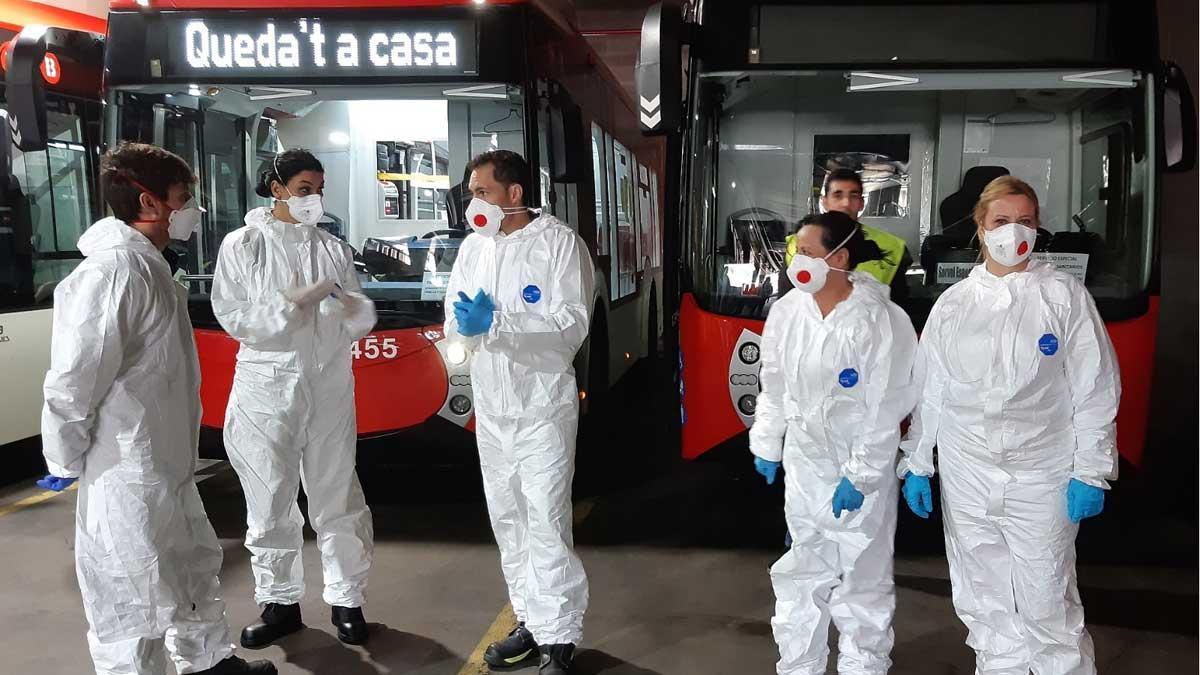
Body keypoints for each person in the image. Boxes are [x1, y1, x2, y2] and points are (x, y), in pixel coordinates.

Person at [40, 142, 276, 674]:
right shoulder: (113, 274)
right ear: (148, 202)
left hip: (164, 461)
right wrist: (64, 456)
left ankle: (208, 662)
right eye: (182, 198)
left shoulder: (150, 268)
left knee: (189, 567)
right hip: (126, 468)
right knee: (132, 595)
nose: (190, 209)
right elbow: (74, 382)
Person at [898, 176, 1119, 674]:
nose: (1013, 233)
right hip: (967, 471)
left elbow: (1094, 388)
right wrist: (917, 462)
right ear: (980, 228)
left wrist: (1091, 468)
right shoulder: (954, 304)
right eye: (1001, 221)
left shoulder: (1062, 297)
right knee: (984, 599)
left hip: (1042, 470)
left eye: (1025, 222)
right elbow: (932, 388)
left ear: (1038, 229)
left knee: (1046, 599)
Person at [211, 149, 377, 648]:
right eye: (305, 188)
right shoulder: (244, 246)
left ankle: (347, 600)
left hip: (328, 388)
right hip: (267, 390)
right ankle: (279, 604)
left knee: (337, 495)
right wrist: (290, 304)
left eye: (318, 189)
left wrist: (354, 307)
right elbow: (234, 317)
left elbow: (358, 318)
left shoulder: (333, 249)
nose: (314, 198)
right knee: (270, 500)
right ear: (277, 188)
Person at [445, 150, 593, 675]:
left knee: (546, 520)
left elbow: (570, 327)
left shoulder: (559, 245)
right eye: (470, 193)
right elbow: (455, 321)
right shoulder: (473, 250)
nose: (472, 203)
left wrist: (499, 326)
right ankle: (531, 620)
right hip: (494, 409)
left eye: (481, 192)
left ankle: (559, 638)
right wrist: (465, 331)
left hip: (542, 408)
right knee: (509, 520)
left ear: (514, 194)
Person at [750, 210, 917, 675]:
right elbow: (775, 384)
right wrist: (768, 441)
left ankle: (863, 666)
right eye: (795, 253)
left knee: (863, 578)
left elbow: (888, 406)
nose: (797, 262)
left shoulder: (883, 320)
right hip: (806, 461)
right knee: (802, 570)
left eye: (808, 252)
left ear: (839, 256)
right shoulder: (787, 313)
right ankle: (799, 665)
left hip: (858, 465)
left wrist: (861, 475)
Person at [783, 168, 912, 300]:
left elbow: (898, 305)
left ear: (862, 204)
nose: (846, 203)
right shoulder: (797, 244)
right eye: (838, 195)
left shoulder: (891, 246)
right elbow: (787, 300)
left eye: (853, 196)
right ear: (824, 201)